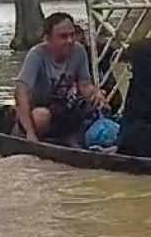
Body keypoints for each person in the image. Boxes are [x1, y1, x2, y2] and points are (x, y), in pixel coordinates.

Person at [15, 12, 108, 145]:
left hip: (64, 107)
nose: (69, 41)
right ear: (48, 38)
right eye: (63, 37)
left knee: (96, 106)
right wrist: (30, 133)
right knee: (41, 116)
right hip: (38, 110)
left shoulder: (79, 51)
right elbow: (21, 93)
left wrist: (96, 94)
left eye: (72, 35)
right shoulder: (36, 55)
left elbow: (85, 85)